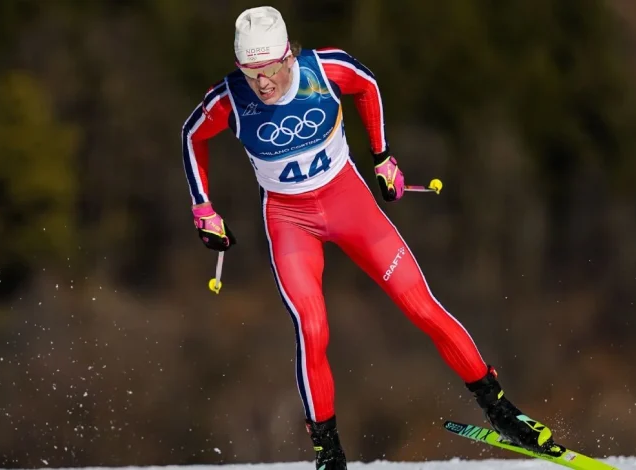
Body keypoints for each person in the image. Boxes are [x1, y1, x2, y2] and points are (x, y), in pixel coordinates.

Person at [181, 6, 557, 469]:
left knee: (421, 305)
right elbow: (192, 136)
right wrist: (203, 208)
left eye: (270, 69)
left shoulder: (325, 70)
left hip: (349, 204)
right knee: (312, 329)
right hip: (289, 219)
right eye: (249, 72)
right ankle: (328, 450)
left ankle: (501, 411)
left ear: (288, 55)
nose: (262, 83)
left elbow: (367, 85)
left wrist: (382, 157)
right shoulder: (229, 99)